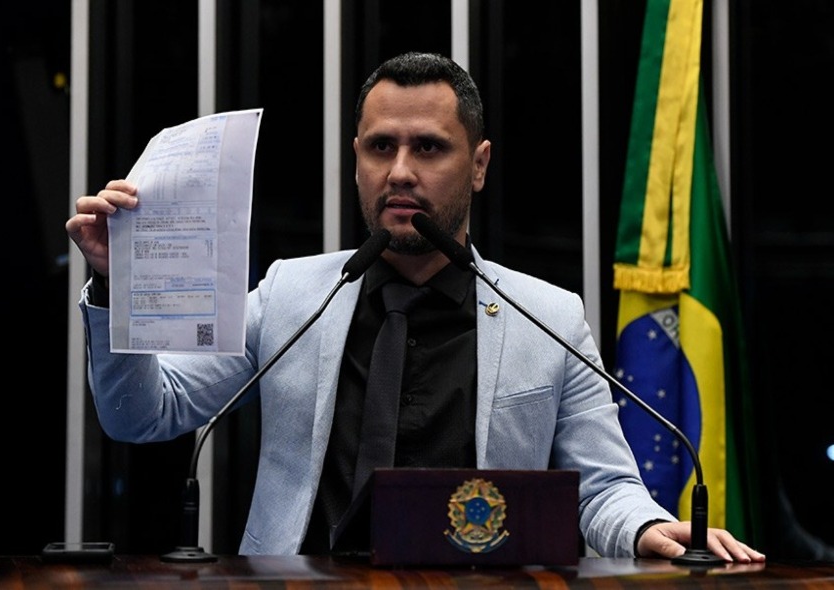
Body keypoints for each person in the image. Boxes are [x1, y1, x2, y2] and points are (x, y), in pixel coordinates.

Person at [66, 51, 764, 562]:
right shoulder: (290, 296)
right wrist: (113, 288)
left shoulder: (548, 317)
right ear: (357, 159)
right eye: (381, 147)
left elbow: (605, 489)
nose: (400, 171)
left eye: (428, 147)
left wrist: (647, 527)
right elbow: (140, 414)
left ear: (479, 165)